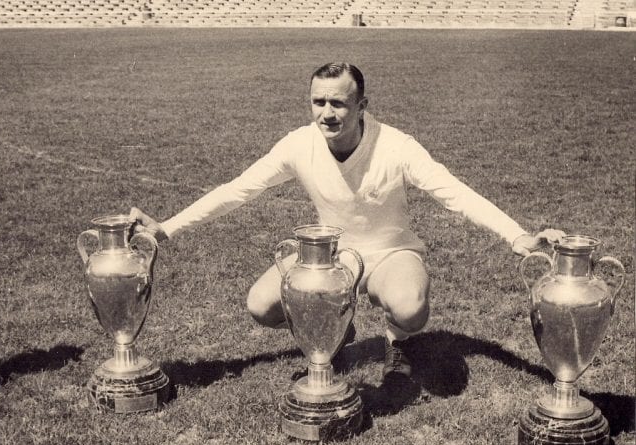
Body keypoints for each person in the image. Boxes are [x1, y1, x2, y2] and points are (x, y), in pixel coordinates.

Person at [130, 62, 564, 385]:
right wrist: (167, 227)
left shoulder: (397, 146)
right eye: (318, 102)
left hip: (391, 254)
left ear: (361, 106)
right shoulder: (299, 144)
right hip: (330, 257)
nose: (327, 113)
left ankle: (397, 342)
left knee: (410, 308)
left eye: (338, 102)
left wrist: (517, 235)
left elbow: (454, 192)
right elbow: (238, 189)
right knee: (261, 306)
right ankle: (339, 329)